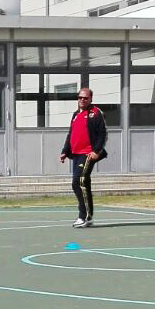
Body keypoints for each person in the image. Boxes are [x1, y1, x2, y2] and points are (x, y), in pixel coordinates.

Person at [59, 88, 107, 228]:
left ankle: (84, 216)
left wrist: (96, 151)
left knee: (77, 182)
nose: (82, 100)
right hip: (76, 154)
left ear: (91, 99)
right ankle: (89, 217)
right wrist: (65, 151)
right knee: (83, 184)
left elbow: (103, 133)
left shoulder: (95, 113)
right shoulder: (75, 115)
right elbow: (71, 134)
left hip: (87, 154)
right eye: (80, 97)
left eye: (85, 98)